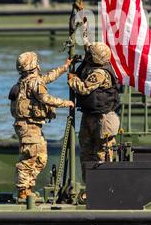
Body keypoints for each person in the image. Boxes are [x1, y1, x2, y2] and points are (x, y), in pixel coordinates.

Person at [9, 51, 74, 200]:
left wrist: (64, 68)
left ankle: (28, 188)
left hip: (30, 126)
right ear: (34, 65)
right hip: (29, 126)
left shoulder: (25, 81)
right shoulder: (33, 83)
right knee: (29, 159)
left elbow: (46, 79)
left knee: (40, 158)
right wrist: (65, 103)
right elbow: (45, 98)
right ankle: (23, 192)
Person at [68, 40, 120, 185]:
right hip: (90, 115)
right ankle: (89, 186)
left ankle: (103, 186)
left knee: (102, 153)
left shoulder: (100, 73)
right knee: (86, 152)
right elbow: (89, 52)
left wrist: (72, 80)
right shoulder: (93, 64)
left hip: (102, 118)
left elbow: (84, 88)